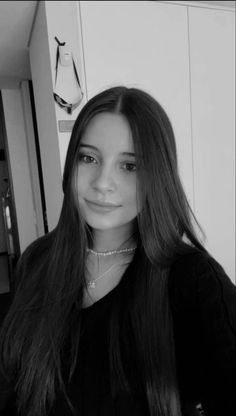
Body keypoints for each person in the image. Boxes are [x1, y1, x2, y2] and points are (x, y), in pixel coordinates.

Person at [0, 86, 235, 416]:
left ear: (157, 176)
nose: (102, 183)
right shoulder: (38, 260)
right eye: (89, 158)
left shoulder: (192, 280)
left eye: (130, 166)